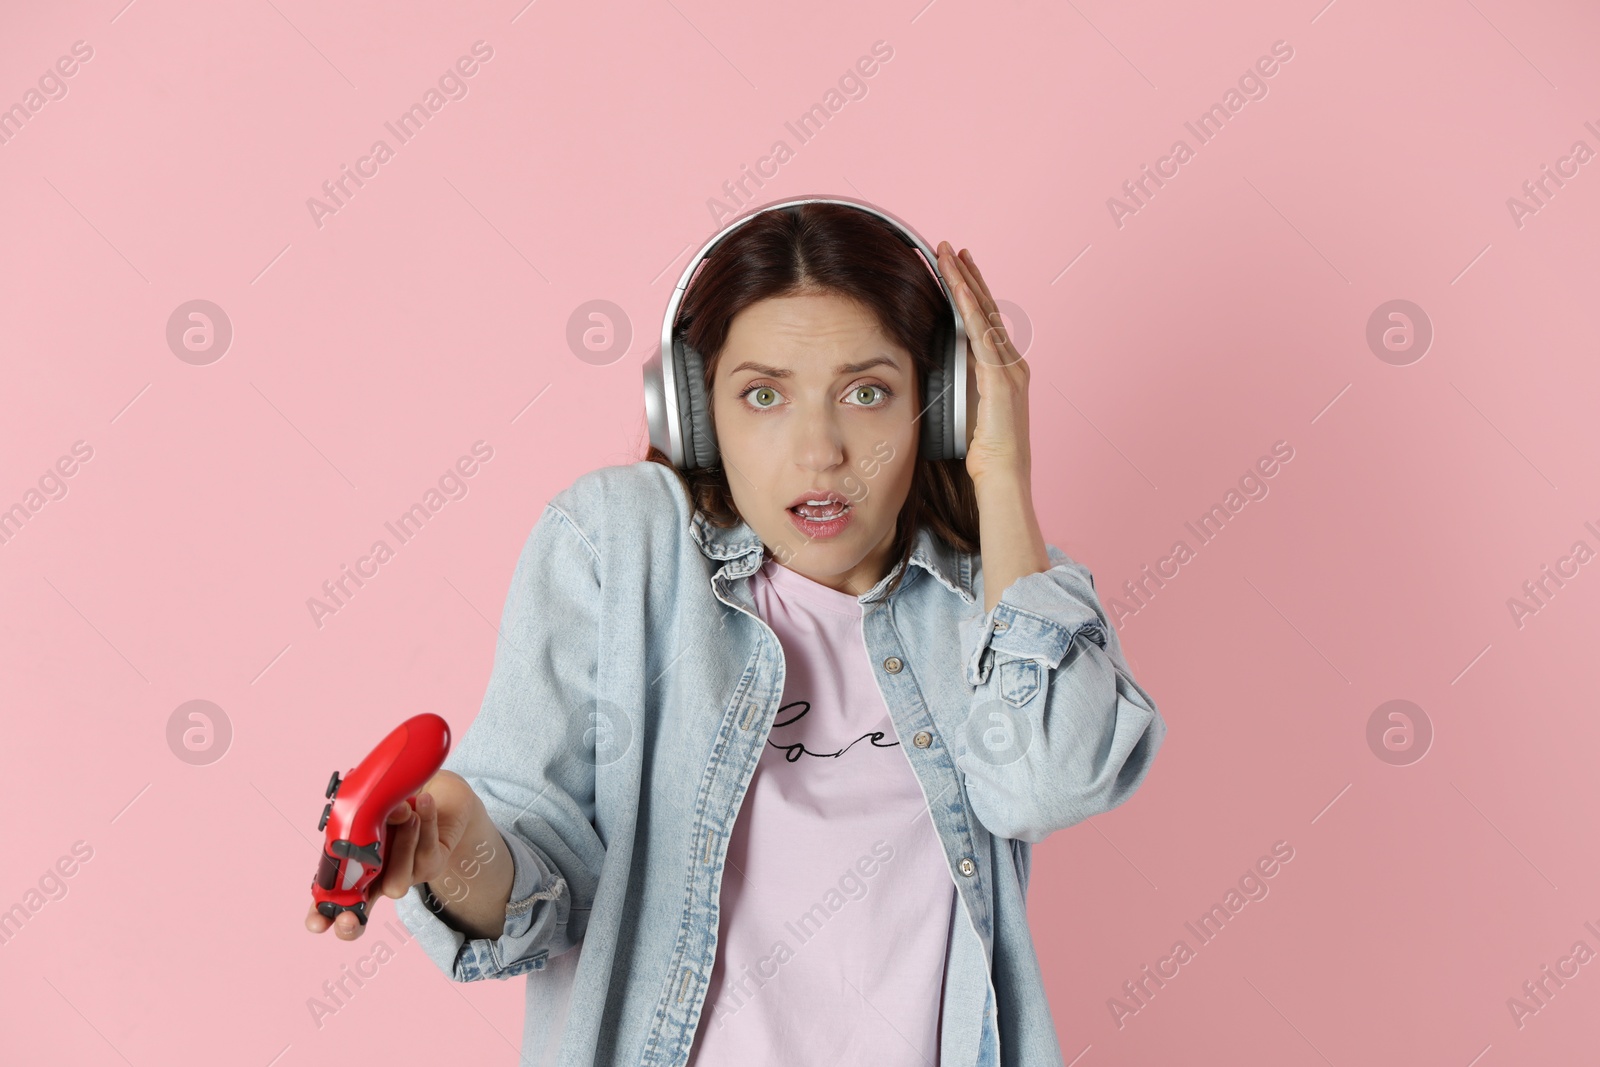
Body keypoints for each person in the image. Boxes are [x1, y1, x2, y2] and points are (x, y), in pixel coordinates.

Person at [304, 200, 1168, 1066]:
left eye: (868, 392)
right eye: (763, 395)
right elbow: (542, 900)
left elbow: (1044, 788)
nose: (821, 449)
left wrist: (1002, 474)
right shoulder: (619, 549)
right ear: (694, 413)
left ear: (937, 407)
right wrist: (460, 854)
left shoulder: (1004, 608)